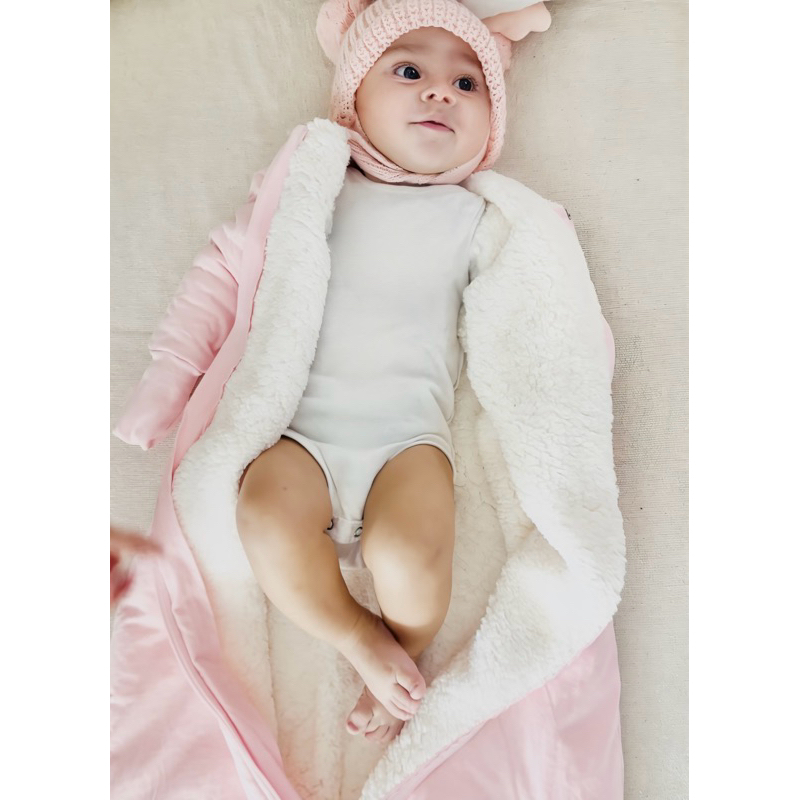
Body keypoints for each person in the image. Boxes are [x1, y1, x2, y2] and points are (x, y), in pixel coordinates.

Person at [114, 0, 552, 747]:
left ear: (491, 126)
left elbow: (534, 314)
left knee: (412, 554)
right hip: (300, 433)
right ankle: (356, 634)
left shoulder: (478, 218)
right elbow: (223, 275)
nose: (439, 92)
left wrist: (564, 337)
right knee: (264, 515)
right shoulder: (309, 190)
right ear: (352, 102)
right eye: (408, 71)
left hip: (409, 440)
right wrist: (170, 377)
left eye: (468, 83)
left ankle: (405, 650)